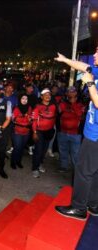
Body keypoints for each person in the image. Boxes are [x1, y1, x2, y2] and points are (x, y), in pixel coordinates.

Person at [55, 48, 98, 220]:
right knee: (94, 172)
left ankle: (79, 207)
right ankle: (93, 205)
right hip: (93, 134)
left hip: (95, 137)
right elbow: (83, 66)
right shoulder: (96, 69)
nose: (94, 55)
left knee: (82, 171)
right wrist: (66, 60)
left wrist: (90, 84)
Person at [57, 87, 85, 173]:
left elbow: (80, 114)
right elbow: (59, 113)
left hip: (75, 134)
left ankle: (76, 170)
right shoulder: (62, 103)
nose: (71, 94)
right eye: (69, 92)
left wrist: (73, 104)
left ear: (76, 93)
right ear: (66, 94)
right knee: (63, 151)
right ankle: (63, 166)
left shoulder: (81, 105)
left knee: (75, 153)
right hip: (63, 132)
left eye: (73, 92)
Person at [31, 88, 57, 178]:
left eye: (49, 94)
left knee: (44, 150)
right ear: (41, 97)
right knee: (38, 150)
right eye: (45, 95)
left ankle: (40, 163)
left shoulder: (54, 106)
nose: (48, 96)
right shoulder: (37, 106)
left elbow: (55, 118)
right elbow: (34, 121)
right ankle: (35, 168)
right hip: (39, 132)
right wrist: (34, 132)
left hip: (49, 131)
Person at [10, 93, 32, 169]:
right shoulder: (16, 108)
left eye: (26, 99)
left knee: (22, 148)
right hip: (17, 131)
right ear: (20, 99)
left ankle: (18, 161)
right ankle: (13, 162)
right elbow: (14, 120)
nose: (24, 100)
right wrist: (25, 118)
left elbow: (30, 120)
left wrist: (23, 118)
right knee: (17, 147)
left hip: (26, 132)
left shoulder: (29, 108)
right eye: (23, 98)